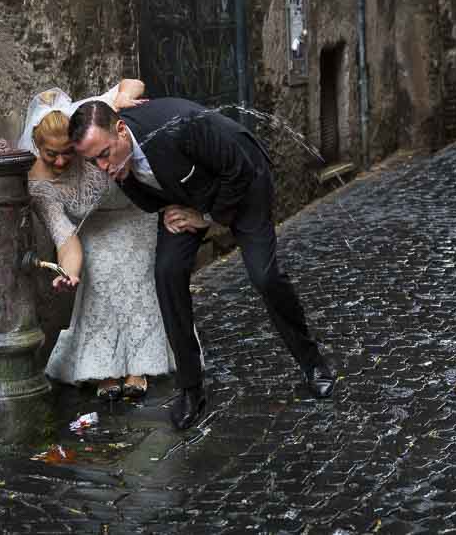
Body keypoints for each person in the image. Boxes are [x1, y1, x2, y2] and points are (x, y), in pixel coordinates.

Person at [68, 96, 335, 430]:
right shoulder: (115, 157)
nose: (104, 168)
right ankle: (191, 388)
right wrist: (170, 211)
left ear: (121, 130)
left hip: (243, 183)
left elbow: (240, 170)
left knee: (264, 276)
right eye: (94, 162)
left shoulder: (180, 126)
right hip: (184, 199)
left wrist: (205, 216)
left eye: (105, 155)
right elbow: (144, 194)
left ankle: (313, 363)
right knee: (167, 274)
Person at [19, 82, 177, 400]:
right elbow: (65, 237)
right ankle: (104, 368)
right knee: (100, 279)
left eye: (68, 152)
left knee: (136, 276)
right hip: (93, 228)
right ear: (37, 145)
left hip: (136, 209)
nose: (62, 161)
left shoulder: (87, 118)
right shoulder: (37, 185)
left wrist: (122, 97)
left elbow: (132, 84)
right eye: (52, 154)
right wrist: (70, 272)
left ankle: (139, 365)